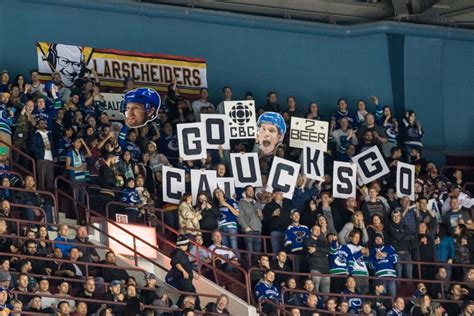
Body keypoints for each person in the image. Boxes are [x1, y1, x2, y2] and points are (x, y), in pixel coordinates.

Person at [170, 236, 200, 309]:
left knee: (193, 295)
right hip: (183, 279)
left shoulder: (181, 253)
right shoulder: (178, 252)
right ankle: (177, 308)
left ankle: (198, 309)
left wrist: (192, 275)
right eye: (187, 245)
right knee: (185, 295)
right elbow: (176, 262)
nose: (187, 246)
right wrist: (183, 271)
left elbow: (186, 267)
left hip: (187, 279)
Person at [29, 118, 56, 191]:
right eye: (41, 123)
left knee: (50, 180)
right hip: (41, 159)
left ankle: (49, 198)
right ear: (37, 125)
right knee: (41, 180)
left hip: (50, 159)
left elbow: (53, 146)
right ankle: (41, 197)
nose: (43, 124)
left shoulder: (49, 134)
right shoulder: (35, 135)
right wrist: (43, 148)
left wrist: (55, 155)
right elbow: (32, 148)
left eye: (44, 123)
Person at [237, 185, 263, 258]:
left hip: (258, 230)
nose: (251, 192)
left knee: (257, 252)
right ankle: (249, 267)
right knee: (249, 251)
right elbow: (239, 217)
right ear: (245, 192)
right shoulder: (241, 202)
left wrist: (260, 215)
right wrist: (246, 227)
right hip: (248, 231)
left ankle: (256, 268)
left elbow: (261, 219)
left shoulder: (257, 203)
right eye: (249, 190)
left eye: (252, 190)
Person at [304, 224, 330, 294]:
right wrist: (323, 253)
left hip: (325, 269)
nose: (318, 231)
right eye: (316, 229)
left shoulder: (323, 241)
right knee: (315, 291)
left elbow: (329, 251)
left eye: (319, 230)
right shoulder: (307, 240)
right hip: (315, 268)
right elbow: (312, 253)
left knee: (326, 294)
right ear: (311, 230)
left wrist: (316, 249)